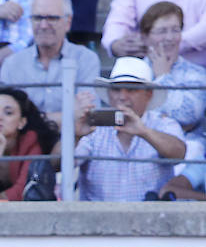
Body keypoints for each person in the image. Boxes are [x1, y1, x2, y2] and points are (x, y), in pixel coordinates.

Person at [74, 56, 186, 202]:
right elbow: (60, 164)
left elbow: (179, 153)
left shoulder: (163, 124)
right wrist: (75, 135)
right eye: (116, 89)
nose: (122, 96)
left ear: (149, 94)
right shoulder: (94, 126)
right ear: (109, 93)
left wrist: (144, 132)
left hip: (151, 221)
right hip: (98, 221)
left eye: (131, 89)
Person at [0, 0, 99, 129]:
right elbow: (7, 122)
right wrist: (66, 116)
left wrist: (31, 119)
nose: (43, 25)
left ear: (68, 22)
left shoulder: (86, 59)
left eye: (52, 18)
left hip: (73, 143)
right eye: (37, 18)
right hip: (26, 146)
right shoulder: (12, 64)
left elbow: (87, 116)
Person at [102, 0, 206, 67]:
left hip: (200, 73)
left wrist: (163, 44)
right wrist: (115, 44)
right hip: (144, 69)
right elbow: (119, 20)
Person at [139, 1, 206, 142]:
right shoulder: (134, 71)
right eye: (162, 31)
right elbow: (127, 116)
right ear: (145, 36)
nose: (170, 38)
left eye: (175, 30)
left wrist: (163, 77)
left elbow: (189, 115)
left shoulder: (197, 74)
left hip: (189, 150)